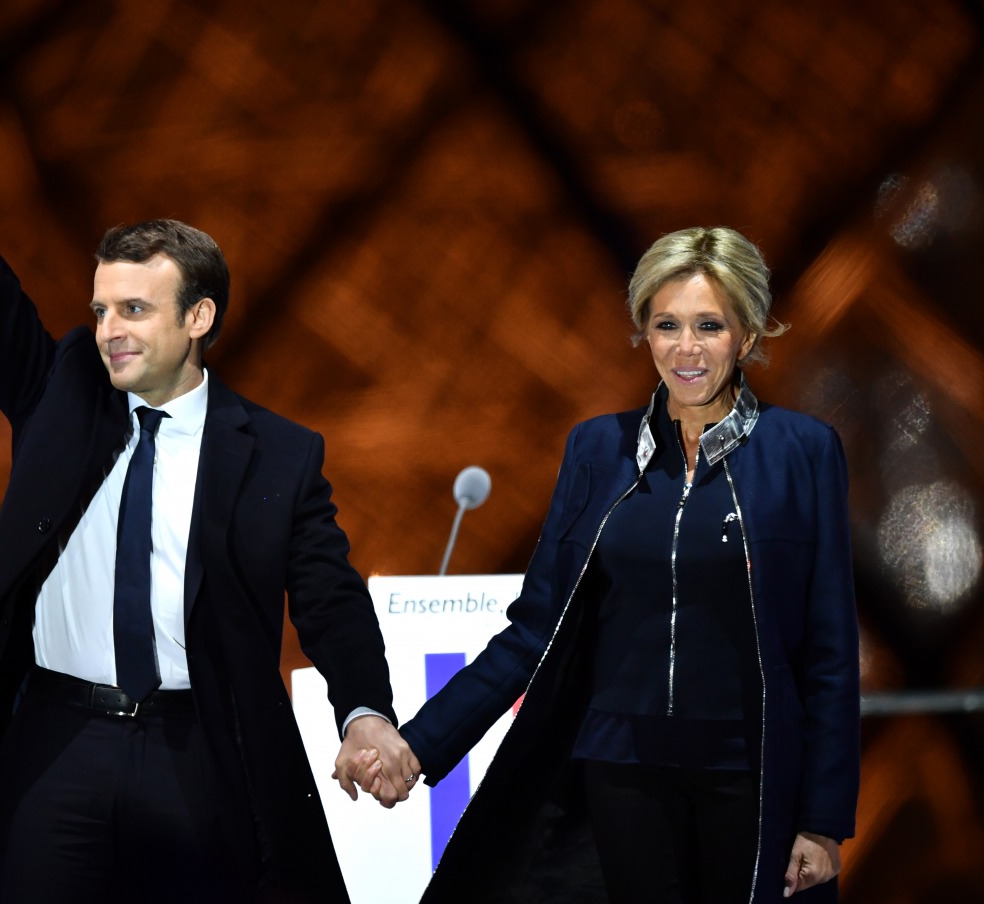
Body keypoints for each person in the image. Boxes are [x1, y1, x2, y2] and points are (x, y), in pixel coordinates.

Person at [0, 34, 421, 904]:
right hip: (57, 747)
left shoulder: (277, 452)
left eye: (133, 309)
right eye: (99, 309)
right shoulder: (61, 395)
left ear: (198, 316)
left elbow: (329, 600)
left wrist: (366, 712)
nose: (109, 329)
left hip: (197, 753)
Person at [354, 227, 859, 902]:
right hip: (620, 771)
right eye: (665, 325)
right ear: (643, 332)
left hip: (749, 776)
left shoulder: (803, 452)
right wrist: (417, 747)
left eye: (709, 326)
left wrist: (822, 823)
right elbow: (533, 631)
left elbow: (829, 653)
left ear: (747, 334)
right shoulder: (597, 448)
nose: (686, 348)